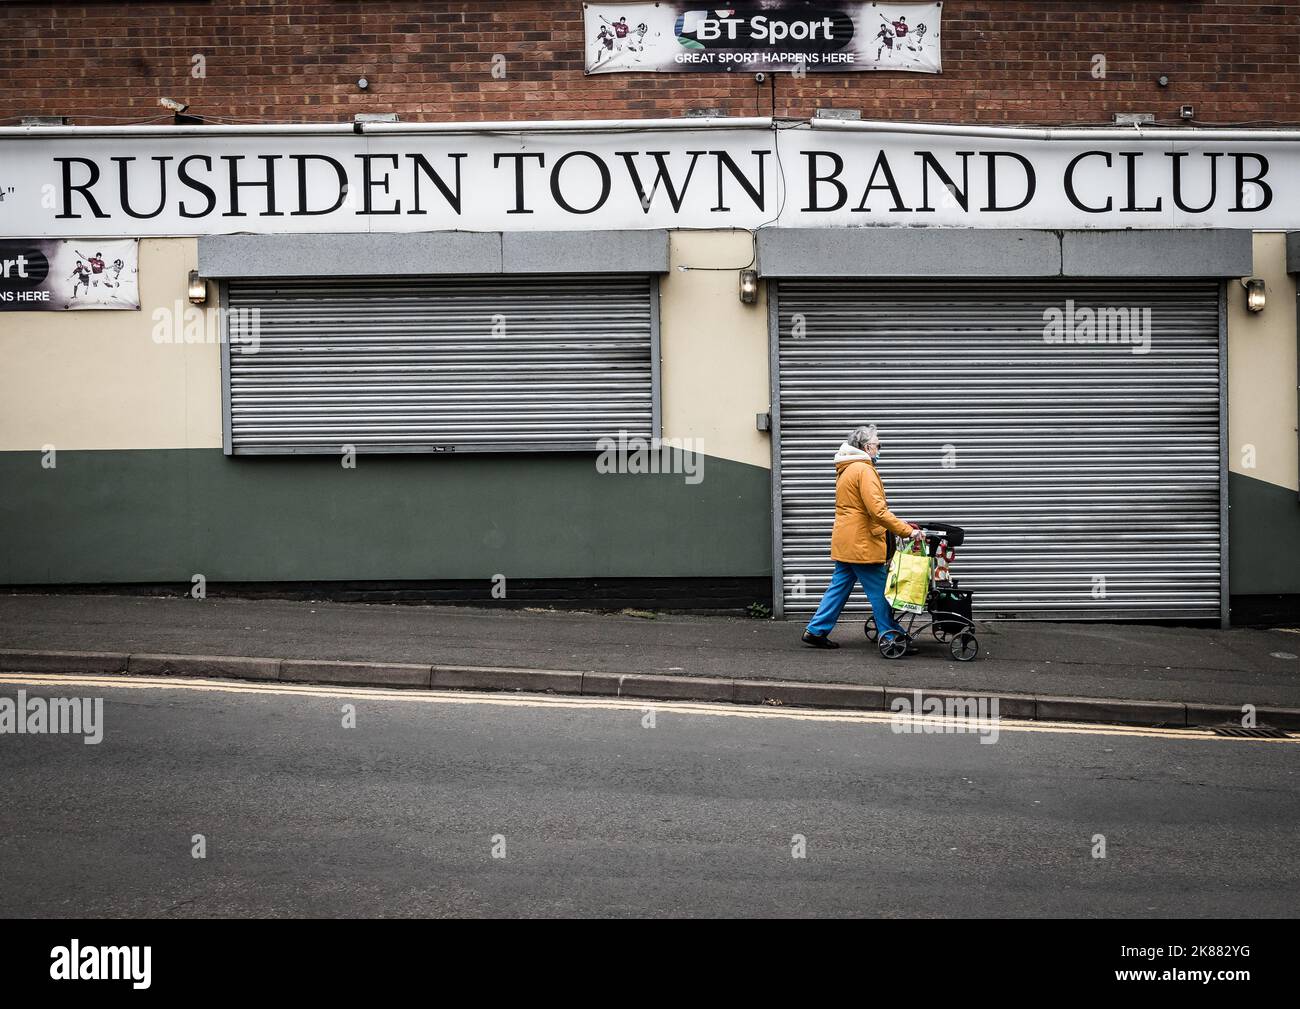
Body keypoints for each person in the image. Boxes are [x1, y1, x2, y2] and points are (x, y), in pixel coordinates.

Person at [802, 424, 924, 649]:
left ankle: (816, 630)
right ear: (868, 447)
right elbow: (877, 511)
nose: (879, 448)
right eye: (878, 444)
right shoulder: (864, 470)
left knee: (839, 587)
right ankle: (889, 637)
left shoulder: (847, 468)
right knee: (880, 591)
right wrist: (908, 530)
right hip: (862, 544)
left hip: (847, 540)